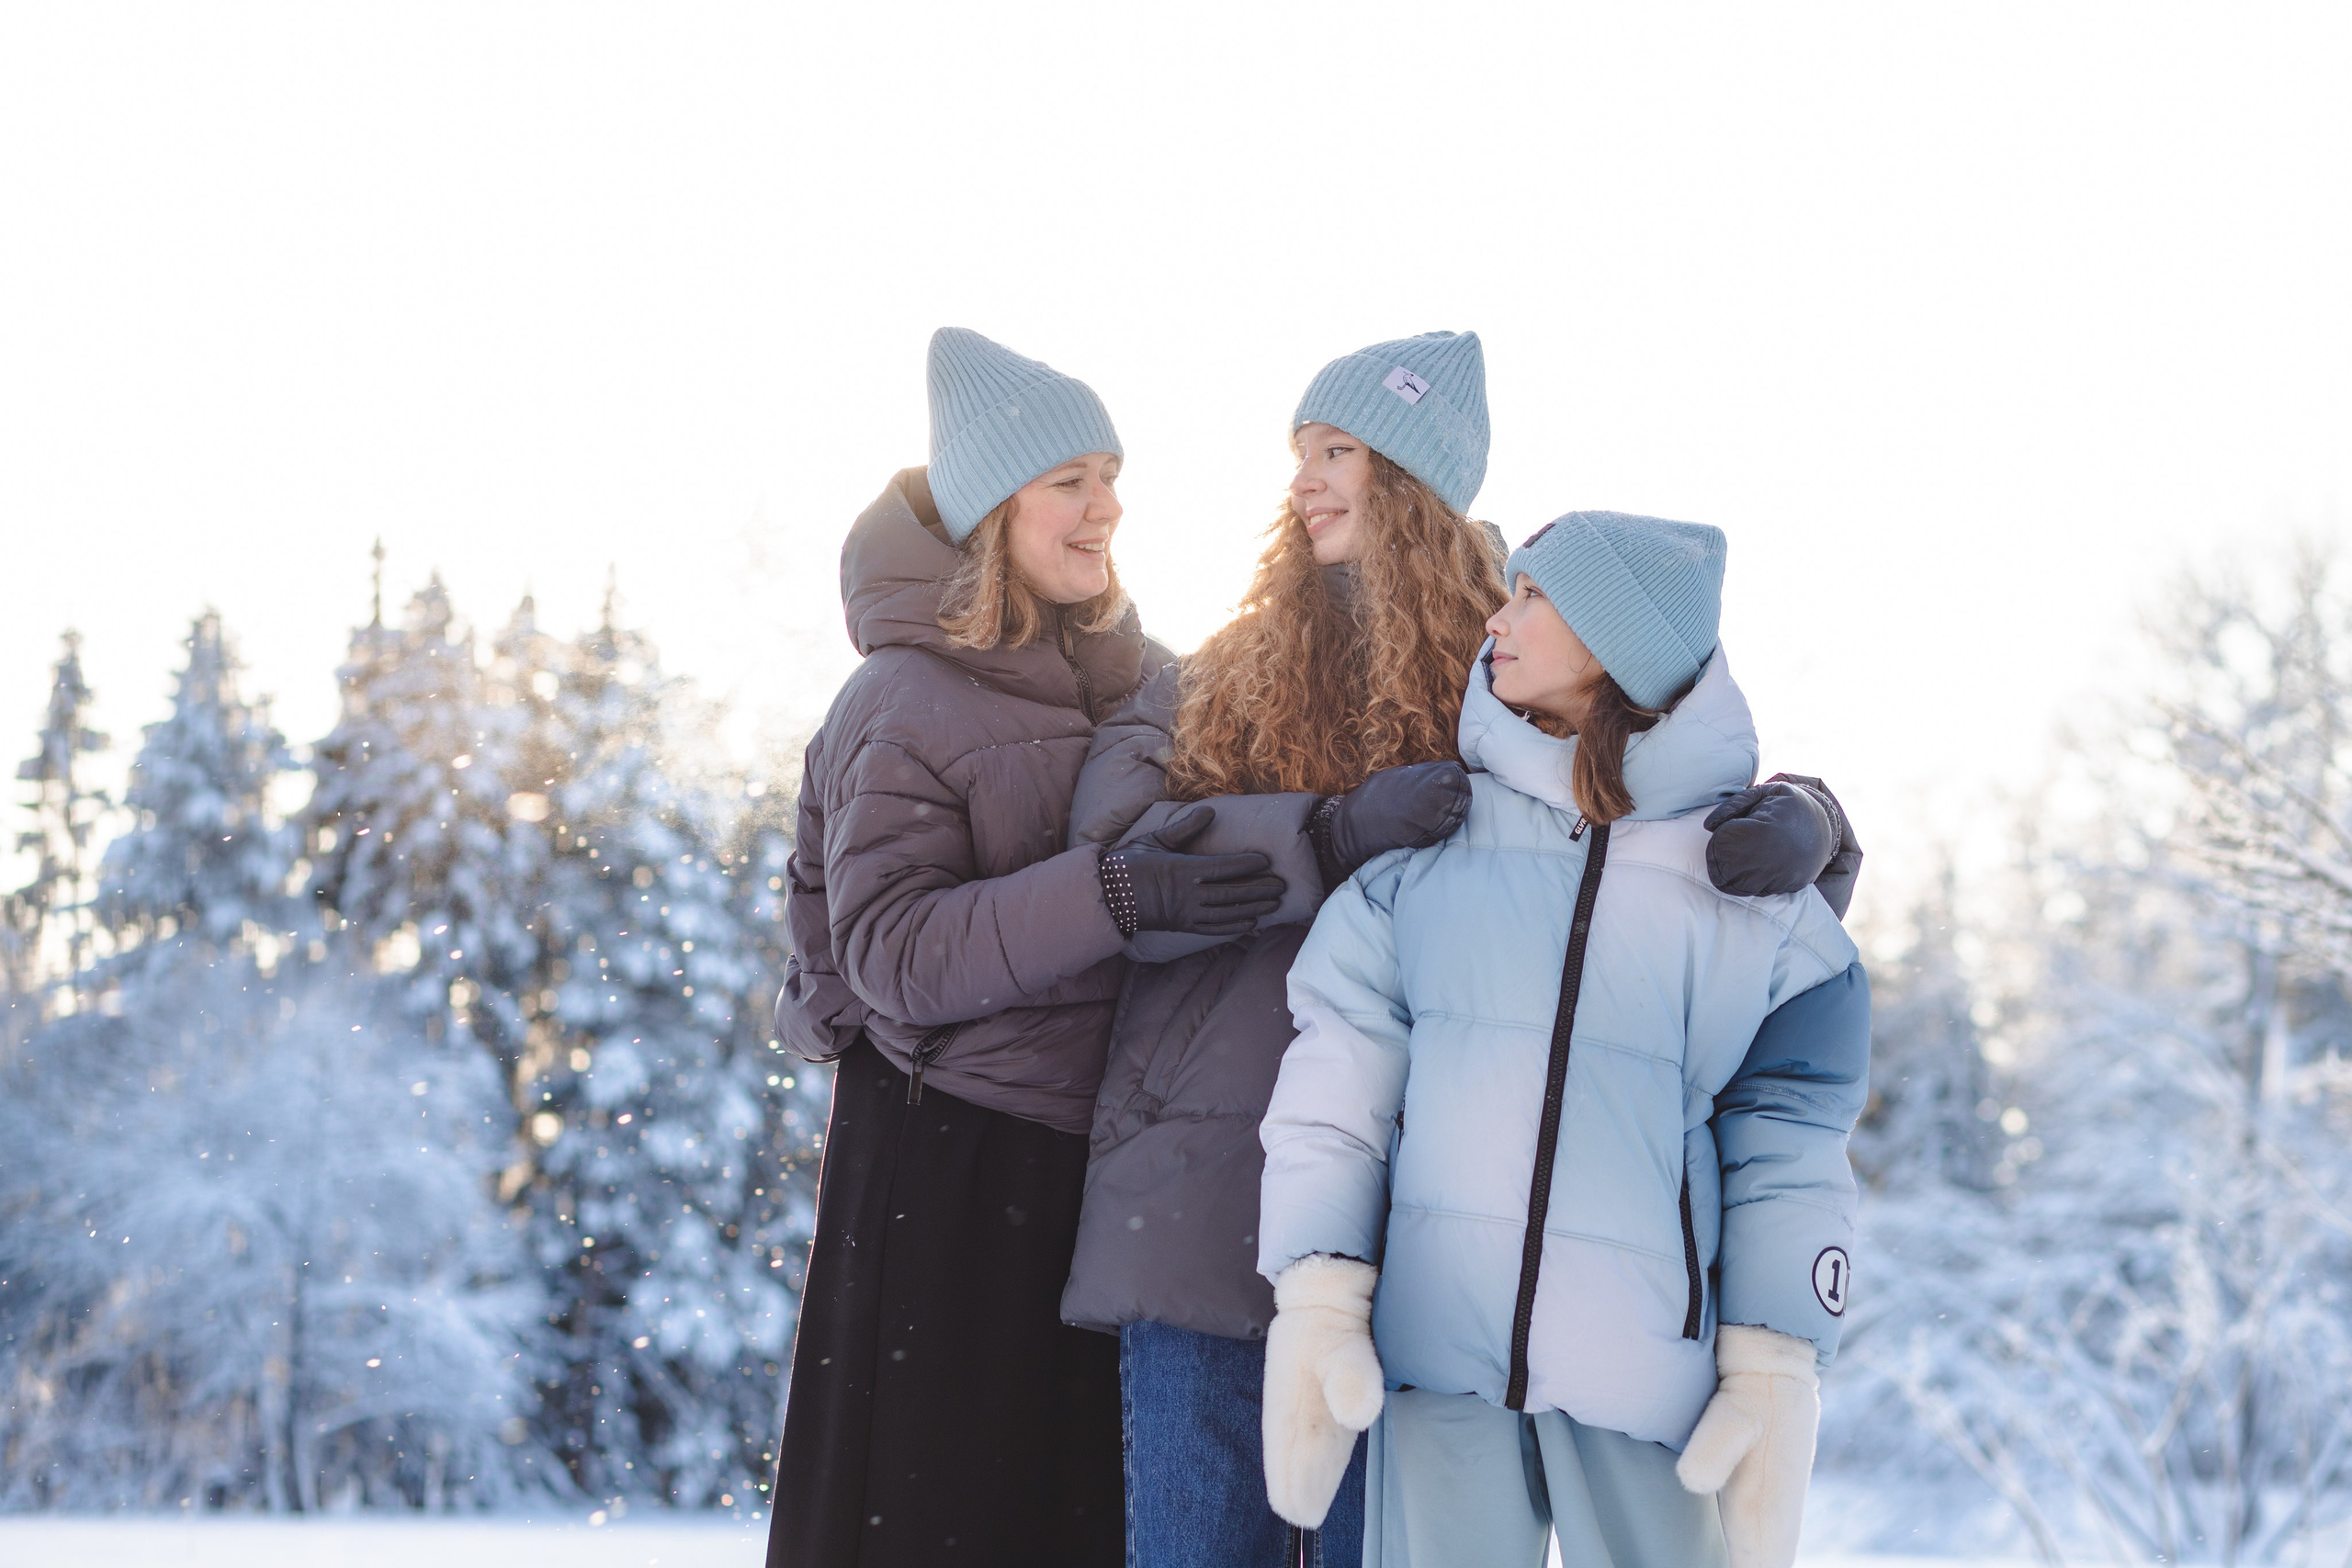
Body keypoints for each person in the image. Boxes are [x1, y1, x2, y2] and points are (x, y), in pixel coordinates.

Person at [1059, 333, 1860, 1566]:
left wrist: (1813, 822)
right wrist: (1323, 832)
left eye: (1340, 450)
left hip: (1424, 1245)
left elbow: (1659, 842)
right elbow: (1115, 870)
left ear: (1414, 481)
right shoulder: (1220, 672)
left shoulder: (1499, 669)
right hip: (1210, 1181)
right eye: (1300, 452)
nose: (1306, 479)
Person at [1254, 512, 1872, 1568]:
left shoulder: (1751, 894)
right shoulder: (1427, 855)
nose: (1496, 620)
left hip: (1651, 1384)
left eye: (1533, 596)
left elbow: (1791, 1152)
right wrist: (1318, 1288)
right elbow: (1334, 1092)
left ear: (1618, 640)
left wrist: (1774, 1358)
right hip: (1438, 1366)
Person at [766, 328, 1287, 1568]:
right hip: (950, 1163)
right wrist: (1112, 894)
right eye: (1071, 481)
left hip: (1094, 1168)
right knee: (941, 1519)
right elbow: (891, 950)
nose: (1107, 506)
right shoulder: (902, 697)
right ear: (994, 507)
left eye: (1111, 476)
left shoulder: (1142, 681)